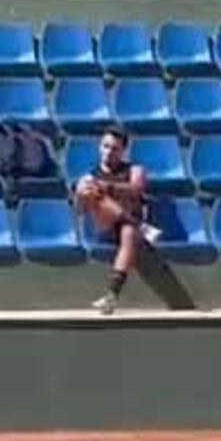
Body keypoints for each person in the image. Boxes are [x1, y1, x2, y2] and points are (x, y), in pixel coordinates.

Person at [75, 127, 159, 315]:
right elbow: (80, 211)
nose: (109, 152)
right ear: (99, 147)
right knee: (89, 190)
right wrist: (83, 195)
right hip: (105, 224)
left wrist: (108, 186)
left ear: (123, 151)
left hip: (129, 225)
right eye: (105, 146)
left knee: (129, 230)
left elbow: (136, 188)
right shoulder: (89, 176)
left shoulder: (135, 169)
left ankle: (112, 294)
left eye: (114, 148)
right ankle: (141, 227)